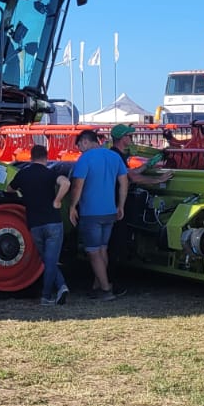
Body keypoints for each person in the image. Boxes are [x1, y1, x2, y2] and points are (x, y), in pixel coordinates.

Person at [67, 128, 127, 301]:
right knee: (102, 249)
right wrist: (120, 205)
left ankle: (106, 289)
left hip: (91, 212)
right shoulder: (114, 157)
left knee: (93, 252)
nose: (79, 149)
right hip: (110, 211)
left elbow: (78, 185)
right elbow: (124, 182)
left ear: (85, 141)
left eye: (79, 145)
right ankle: (98, 285)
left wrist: (72, 206)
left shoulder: (85, 158)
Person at [9, 144, 71, 306]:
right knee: (51, 260)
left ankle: (61, 287)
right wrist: (57, 201)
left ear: (31, 157)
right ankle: (48, 295)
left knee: (46, 260)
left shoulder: (23, 174)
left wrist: (19, 191)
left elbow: (9, 188)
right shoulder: (50, 173)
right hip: (53, 221)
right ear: (46, 156)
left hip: (34, 223)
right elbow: (66, 183)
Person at [107, 123, 172, 188]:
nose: (131, 138)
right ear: (123, 138)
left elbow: (131, 172)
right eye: (130, 136)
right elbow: (133, 177)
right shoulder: (116, 155)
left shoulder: (114, 153)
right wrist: (158, 179)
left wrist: (148, 164)